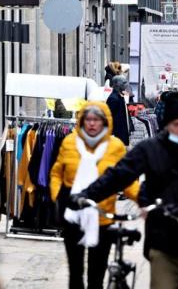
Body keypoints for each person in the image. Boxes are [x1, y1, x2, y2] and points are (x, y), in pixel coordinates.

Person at [70, 92, 178, 289]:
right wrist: (86, 194)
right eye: (175, 124)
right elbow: (119, 174)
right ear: (166, 123)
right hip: (164, 243)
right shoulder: (151, 148)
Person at [51, 102, 138, 289]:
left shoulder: (115, 146)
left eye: (96, 120)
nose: (91, 124)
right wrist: (57, 195)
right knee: (75, 272)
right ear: (81, 121)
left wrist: (142, 199)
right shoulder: (69, 142)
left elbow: (127, 178)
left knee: (96, 274)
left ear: (105, 122)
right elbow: (57, 172)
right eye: (88, 119)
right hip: (73, 215)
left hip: (102, 217)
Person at [106, 75, 132, 146]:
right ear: (117, 84)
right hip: (117, 135)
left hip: (121, 134)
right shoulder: (113, 98)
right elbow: (109, 117)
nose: (126, 85)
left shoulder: (119, 96)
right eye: (124, 83)